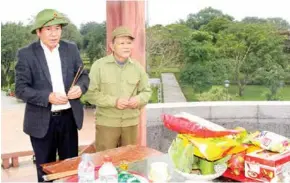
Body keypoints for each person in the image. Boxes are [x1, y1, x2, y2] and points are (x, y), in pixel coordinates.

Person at [15, 9, 89, 182]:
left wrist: (80, 87)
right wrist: (47, 97)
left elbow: (83, 75)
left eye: (57, 28)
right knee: (45, 171)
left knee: (70, 168)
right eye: (48, 29)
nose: (54, 33)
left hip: (69, 118)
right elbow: (20, 88)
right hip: (42, 121)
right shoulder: (26, 54)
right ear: (39, 32)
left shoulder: (70, 49)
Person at [86, 26, 152, 152]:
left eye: (129, 43)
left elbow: (147, 91)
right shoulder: (99, 66)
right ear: (112, 46)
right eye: (121, 43)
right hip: (107, 123)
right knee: (104, 162)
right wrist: (114, 101)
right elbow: (90, 94)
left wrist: (138, 99)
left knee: (129, 161)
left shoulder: (137, 67)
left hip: (131, 123)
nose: (126, 46)